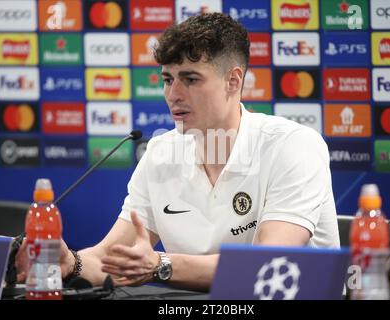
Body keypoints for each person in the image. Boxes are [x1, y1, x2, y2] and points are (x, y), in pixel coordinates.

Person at [17, 13, 339, 292]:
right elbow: (111, 260)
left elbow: (265, 267)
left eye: (190, 79)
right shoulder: (160, 153)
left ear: (233, 80)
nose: (173, 94)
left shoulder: (294, 146)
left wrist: (160, 265)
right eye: (168, 79)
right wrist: (70, 263)